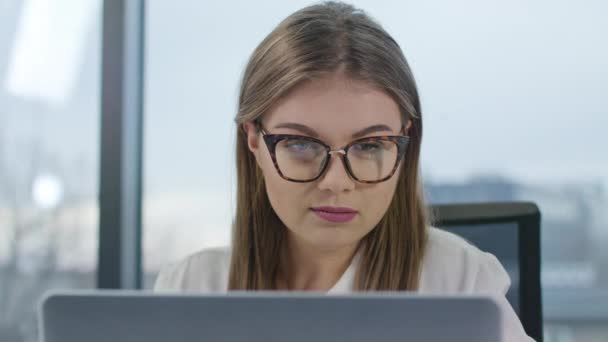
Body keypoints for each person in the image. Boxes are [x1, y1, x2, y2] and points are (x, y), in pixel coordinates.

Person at [154, 2, 534, 341]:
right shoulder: (192, 287)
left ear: (405, 142)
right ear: (253, 139)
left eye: (370, 146)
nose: (336, 182)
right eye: (301, 145)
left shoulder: (462, 285)